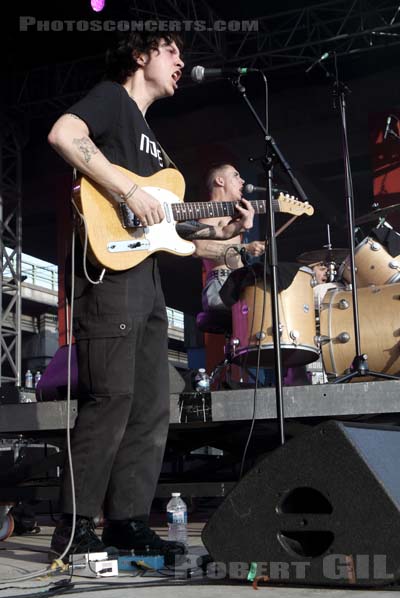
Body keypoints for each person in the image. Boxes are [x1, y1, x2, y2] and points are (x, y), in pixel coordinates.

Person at [47, 32, 255, 564]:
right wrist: (127, 190)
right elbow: (64, 134)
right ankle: (74, 528)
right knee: (110, 399)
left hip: (148, 283)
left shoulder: (153, 144)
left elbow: (178, 241)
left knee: (150, 407)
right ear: (140, 57)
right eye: (170, 52)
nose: (181, 62)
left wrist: (227, 234)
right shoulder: (111, 100)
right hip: (109, 275)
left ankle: (127, 523)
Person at [193, 163, 266, 312]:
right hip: (222, 283)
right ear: (220, 181)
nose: (242, 181)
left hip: (234, 281)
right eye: (235, 175)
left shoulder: (228, 216)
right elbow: (198, 248)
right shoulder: (210, 210)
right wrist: (246, 248)